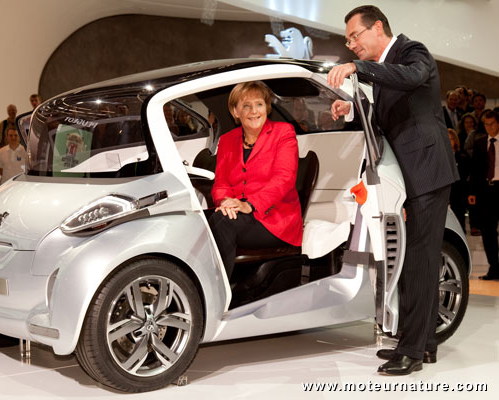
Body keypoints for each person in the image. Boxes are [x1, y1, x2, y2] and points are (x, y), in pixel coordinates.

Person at [327, 5, 458, 376]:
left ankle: (411, 351)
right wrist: (351, 108)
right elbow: (387, 118)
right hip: (410, 176)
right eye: (348, 40)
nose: (351, 45)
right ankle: (424, 345)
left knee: (418, 260)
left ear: (378, 27)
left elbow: (412, 77)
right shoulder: (386, 72)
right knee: (418, 259)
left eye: (355, 36)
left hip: (428, 172)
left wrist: (359, 69)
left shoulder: (412, 53)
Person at [208, 81, 303, 280]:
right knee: (200, 221)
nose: (254, 111)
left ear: (267, 108)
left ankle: (218, 295)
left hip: (275, 220)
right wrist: (225, 202)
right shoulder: (227, 140)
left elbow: (284, 179)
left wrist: (249, 205)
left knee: (221, 222)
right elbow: (221, 184)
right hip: (236, 214)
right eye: (246, 106)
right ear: (235, 111)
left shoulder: (283, 132)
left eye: (259, 104)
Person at [468, 110, 499, 280]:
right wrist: (472, 192)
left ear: (498, 123)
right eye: (486, 124)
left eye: (492, 123)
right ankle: (494, 267)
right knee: (488, 231)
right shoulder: (480, 143)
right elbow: (475, 170)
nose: (489, 127)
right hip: (486, 190)